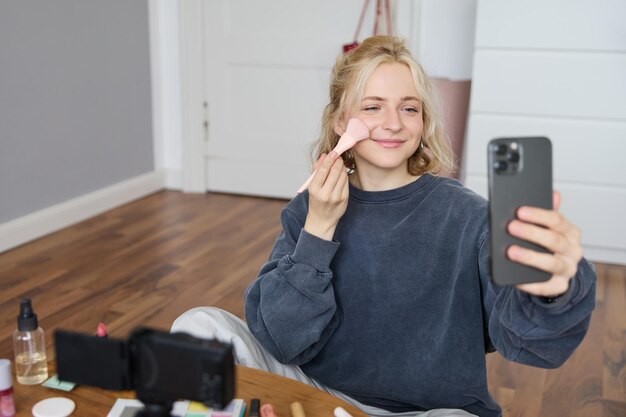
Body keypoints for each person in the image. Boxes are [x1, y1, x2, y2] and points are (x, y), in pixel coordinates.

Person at [172, 36, 596, 417]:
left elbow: (532, 345)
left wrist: (553, 289)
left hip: (431, 411)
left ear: (422, 121)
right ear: (341, 123)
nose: (393, 123)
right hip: (320, 397)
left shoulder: (468, 217)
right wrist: (318, 230)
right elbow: (282, 341)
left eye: (408, 108)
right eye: (373, 107)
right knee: (199, 326)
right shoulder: (310, 208)